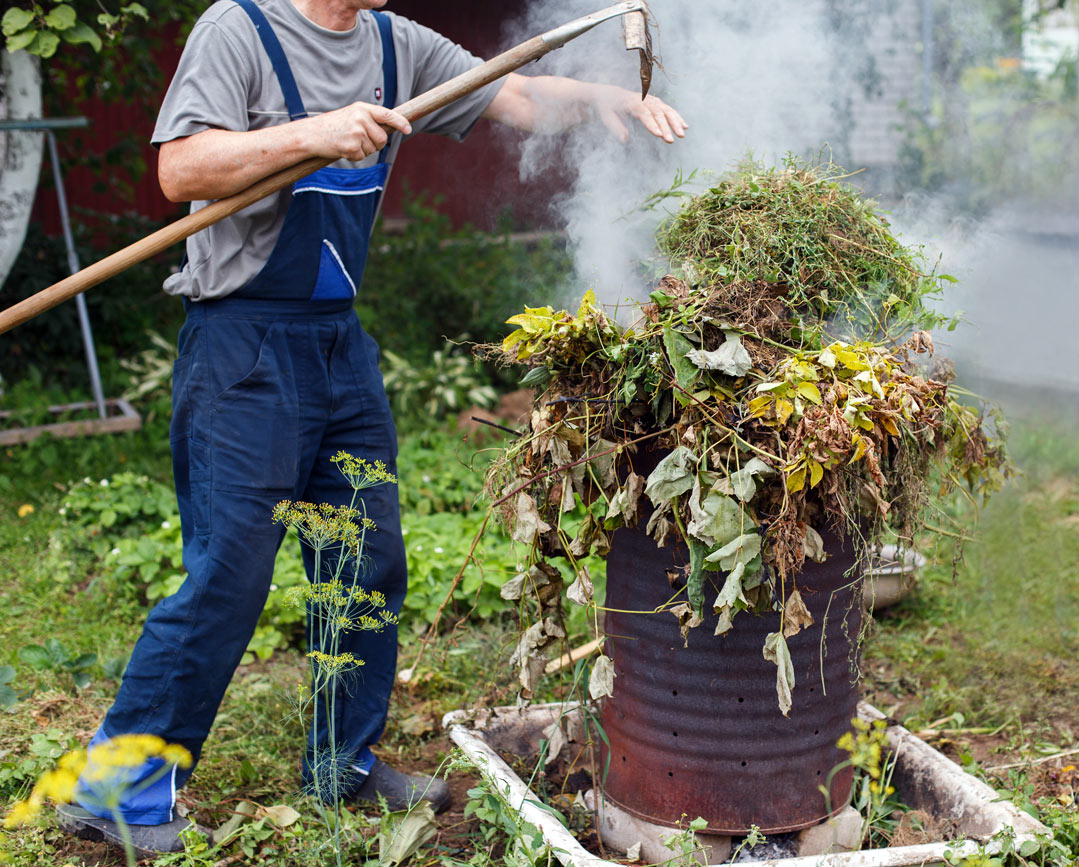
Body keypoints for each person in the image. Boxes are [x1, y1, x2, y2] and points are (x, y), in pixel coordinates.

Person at [56, 0, 687, 856]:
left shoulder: (396, 44)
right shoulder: (238, 31)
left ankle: (340, 763)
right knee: (229, 574)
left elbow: (516, 97)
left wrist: (597, 96)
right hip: (243, 343)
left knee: (367, 556)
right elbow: (182, 169)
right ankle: (117, 791)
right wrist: (312, 133)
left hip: (336, 344)